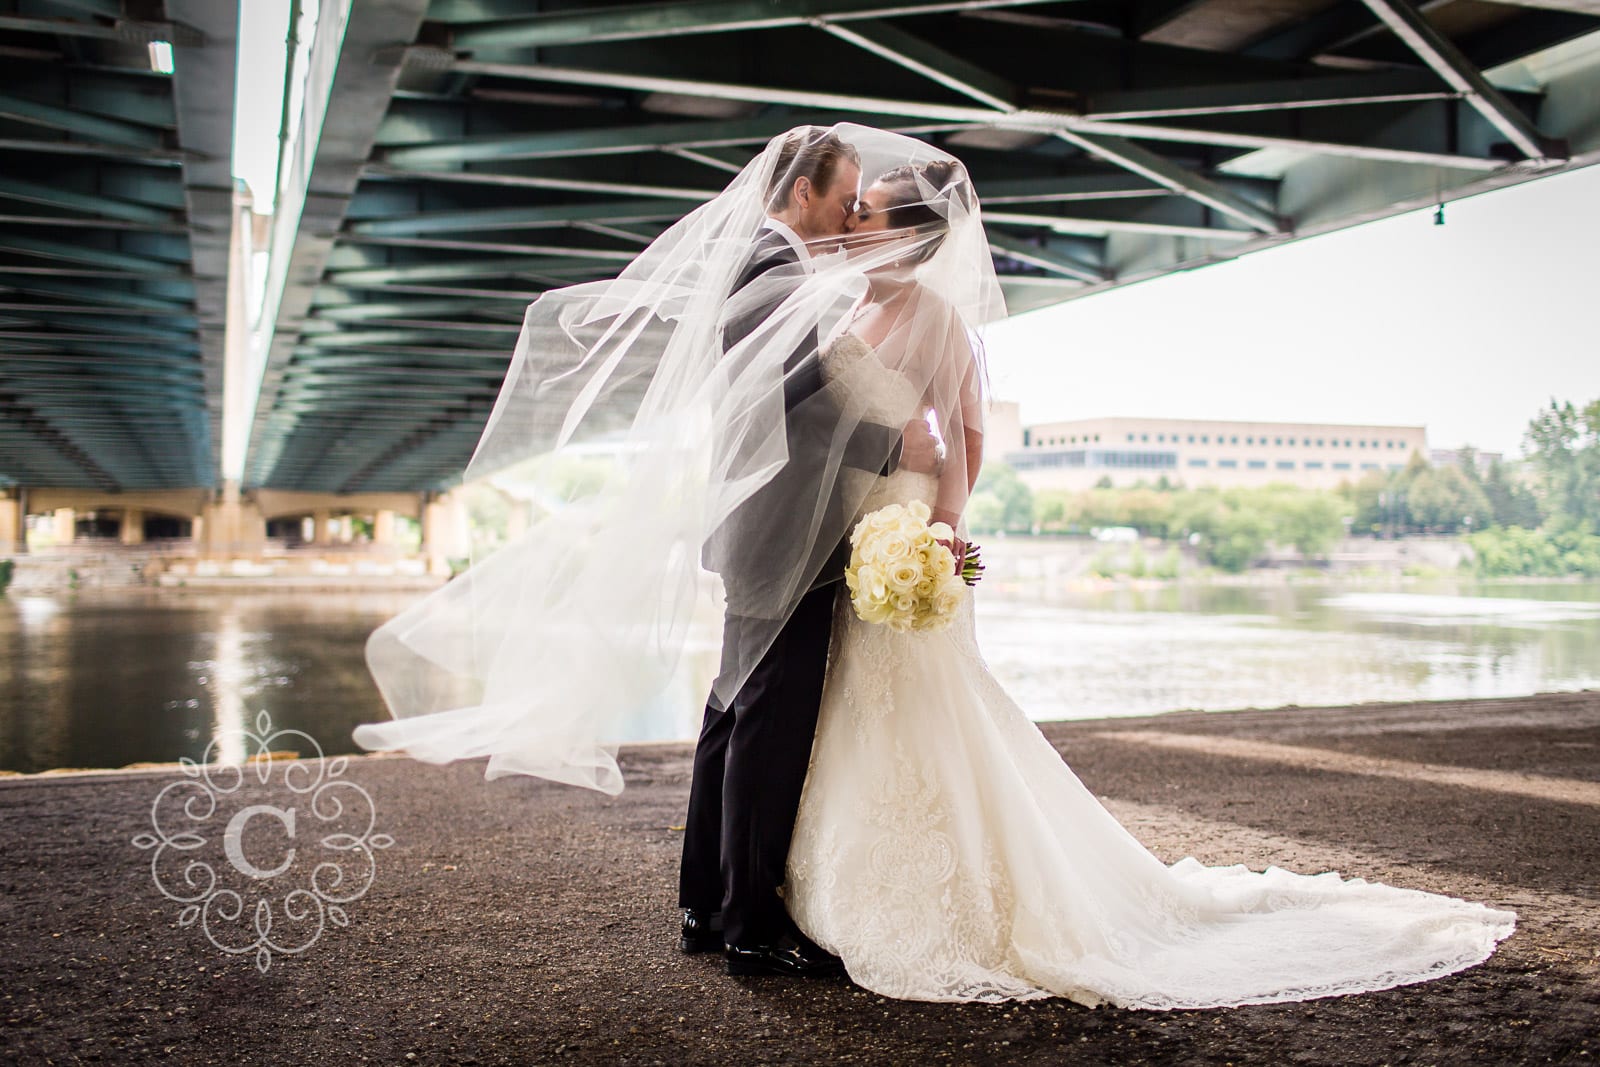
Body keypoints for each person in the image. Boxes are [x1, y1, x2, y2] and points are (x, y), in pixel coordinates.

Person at [778, 154, 1518, 1007]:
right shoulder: (840, 307)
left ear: (904, 233)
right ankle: (827, 887)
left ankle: (942, 902)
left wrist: (942, 533)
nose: (850, 220)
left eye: (864, 210)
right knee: (850, 705)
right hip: (852, 533)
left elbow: (966, 442)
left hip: (906, 527)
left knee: (921, 706)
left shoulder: (939, 318)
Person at [678, 129, 944, 977]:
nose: (845, 215)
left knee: (731, 709)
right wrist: (897, 445)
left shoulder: (767, 262)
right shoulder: (779, 270)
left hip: (767, 528)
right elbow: (788, 395)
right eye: (841, 199)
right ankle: (751, 924)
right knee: (768, 721)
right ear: (802, 195)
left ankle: (708, 902)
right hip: (780, 534)